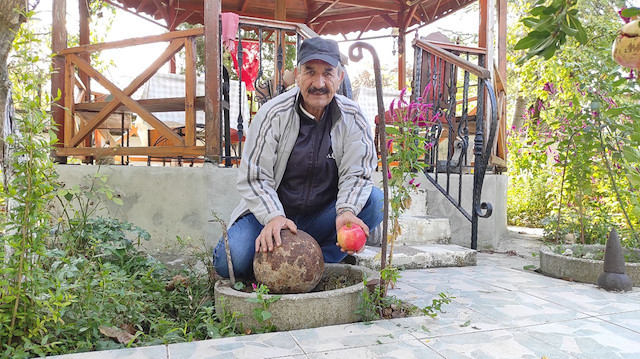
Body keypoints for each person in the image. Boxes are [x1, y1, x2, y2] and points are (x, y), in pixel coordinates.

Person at [213, 37, 383, 279]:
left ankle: (318, 264)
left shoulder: (353, 117)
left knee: (374, 201)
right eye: (310, 72)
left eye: (328, 73)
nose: (319, 83)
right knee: (230, 261)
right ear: (297, 75)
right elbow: (254, 177)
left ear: (340, 77)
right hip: (272, 216)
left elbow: (358, 173)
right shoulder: (273, 114)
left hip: (322, 217)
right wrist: (274, 216)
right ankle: (274, 265)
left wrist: (346, 211)